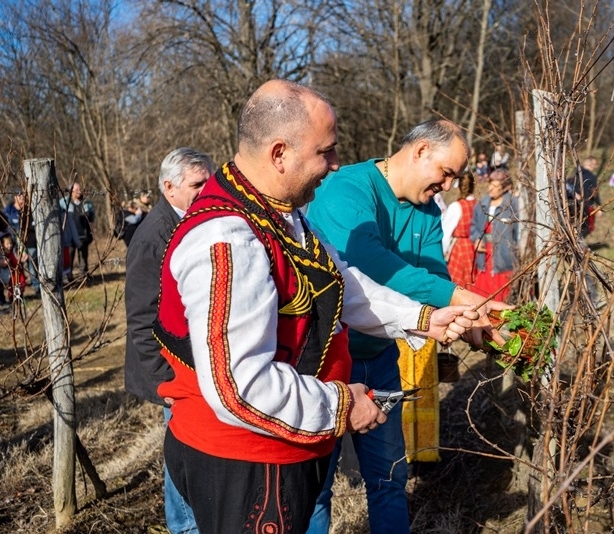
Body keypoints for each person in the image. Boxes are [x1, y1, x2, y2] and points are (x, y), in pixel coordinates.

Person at [154, 80, 477, 534]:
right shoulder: (227, 239)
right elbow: (239, 386)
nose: (335, 164)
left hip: (278, 446)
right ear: (279, 153)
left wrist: (425, 318)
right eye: (325, 152)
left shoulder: (281, 214)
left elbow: (344, 283)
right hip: (246, 461)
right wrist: (342, 404)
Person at [305, 119, 506, 534]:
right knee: (314, 486)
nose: (448, 185)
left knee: (389, 476)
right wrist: (465, 299)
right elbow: (367, 260)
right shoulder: (347, 188)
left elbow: (434, 279)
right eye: (445, 172)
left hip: (380, 360)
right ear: (419, 153)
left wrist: (471, 326)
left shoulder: (428, 212)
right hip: (326, 362)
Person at [124, 147, 213, 534]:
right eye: (197, 184)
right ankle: (186, 528)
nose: (205, 189)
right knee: (181, 455)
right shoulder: (152, 237)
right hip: (174, 372)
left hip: (195, 364)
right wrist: (166, 381)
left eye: (209, 181)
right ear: (168, 186)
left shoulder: (196, 220)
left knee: (199, 455)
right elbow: (141, 319)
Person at [470, 169, 520, 301]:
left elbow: (519, 232)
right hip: (485, 255)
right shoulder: (482, 204)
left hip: (504, 255)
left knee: (502, 294)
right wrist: (476, 239)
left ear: (505, 188)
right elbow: (474, 226)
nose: (491, 189)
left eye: (496, 186)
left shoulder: (512, 204)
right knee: (483, 293)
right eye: (490, 185)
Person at [442, 171, 477, 287]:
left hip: (460, 248)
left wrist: (442, 252)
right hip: (475, 246)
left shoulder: (456, 206)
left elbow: (445, 233)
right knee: (472, 280)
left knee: (458, 283)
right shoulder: (479, 204)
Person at [2, 188, 40, 294]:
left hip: (29, 243)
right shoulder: (8, 212)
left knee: (33, 266)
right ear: (15, 197)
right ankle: (17, 291)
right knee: (17, 269)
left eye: (23, 196)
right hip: (13, 246)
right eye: (20, 196)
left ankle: (37, 288)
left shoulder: (30, 210)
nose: (22, 198)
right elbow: (7, 231)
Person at [59, 182, 95, 275]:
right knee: (69, 257)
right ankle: (69, 276)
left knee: (83, 257)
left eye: (80, 189)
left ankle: (84, 276)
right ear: (71, 191)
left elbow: (92, 218)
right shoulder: (63, 202)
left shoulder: (87, 203)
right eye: (77, 190)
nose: (79, 192)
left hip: (83, 234)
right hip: (69, 236)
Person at [566, 156, 601, 237]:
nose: (595, 167)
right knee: (589, 227)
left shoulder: (576, 174)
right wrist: (599, 206)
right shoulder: (591, 177)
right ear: (591, 164)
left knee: (577, 225)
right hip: (586, 205)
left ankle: (576, 241)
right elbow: (594, 192)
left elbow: (566, 184)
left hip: (572, 205)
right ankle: (578, 242)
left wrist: (573, 194)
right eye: (595, 165)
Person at [0, 233, 25, 302]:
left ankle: (18, 297)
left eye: (10, 243)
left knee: (20, 283)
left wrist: (20, 259)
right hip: (8, 274)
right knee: (11, 285)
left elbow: (17, 258)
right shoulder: (1, 254)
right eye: (7, 244)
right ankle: (11, 298)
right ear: (2, 245)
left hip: (16, 272)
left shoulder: (14, 251)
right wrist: (3, 262)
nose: (10, 245)